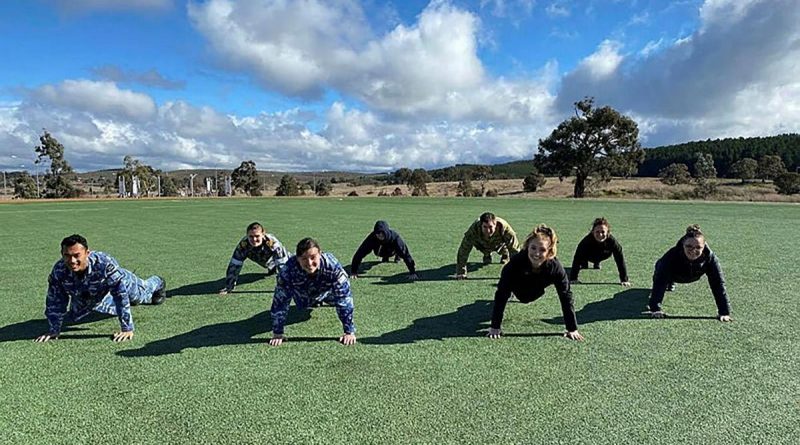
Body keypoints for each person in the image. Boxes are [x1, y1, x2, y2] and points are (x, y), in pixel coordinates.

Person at [35, 234, 166, 343]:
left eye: (76, 255)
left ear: (87, 253)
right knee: (76, 315)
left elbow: (120, 294)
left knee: (139, 295)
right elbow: (55, 301)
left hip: (121, 281)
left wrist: (127, 328)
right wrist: (54, 329)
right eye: (67, 255)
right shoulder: (59, 271)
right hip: (95, 291)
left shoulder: (105, 263)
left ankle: (158, 282)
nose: (72, 260)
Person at [488, 225, 583, 341]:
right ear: (527, 247)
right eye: (533, 248)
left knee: (529, 297)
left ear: (549, 252)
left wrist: (572, 328)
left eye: (542, 250)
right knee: (520, 296)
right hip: (519, 283)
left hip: (538, 286)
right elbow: (501, 294)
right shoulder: (514, 264)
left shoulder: (556, 268)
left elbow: (566, 296)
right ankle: (513, 292)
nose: (537, 253)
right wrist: (495, 326)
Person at [269, 238, 356, 346]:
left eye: (313, 257)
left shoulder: (332, 266)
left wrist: (349, 331)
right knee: (304, 305)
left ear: (320, 254)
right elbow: (280, 302)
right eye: (304, 259)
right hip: (303, 295)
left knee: (339, 301)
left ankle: (320, 300)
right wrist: (277, 333)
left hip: (327, 293)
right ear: (297, 259)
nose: (309, 263)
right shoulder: (288, 270)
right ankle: (312, 302)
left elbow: (344, 298)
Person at [648, 225, 732, 321]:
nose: (693, 250)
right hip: (673, 274)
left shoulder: (710, 258)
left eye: (698, 247)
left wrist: (724, 312)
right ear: (683, 244)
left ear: (703, 246)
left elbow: (718, 284)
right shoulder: (671, 256)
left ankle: (670, 283)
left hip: (694, 275)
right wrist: (655, 309)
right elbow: (659, 282)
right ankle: (670, 282)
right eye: (689, 246)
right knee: (662, 274)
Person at [219, 222, 289, 295]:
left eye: (257, 236)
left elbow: (282, 266)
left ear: (263, 234)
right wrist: (229, 287)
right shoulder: (243, 245)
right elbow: (234, 265)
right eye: (251, 236)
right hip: (263, 259)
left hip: (280, 258)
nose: (254, 239)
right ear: (247, 235)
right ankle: (272, 267)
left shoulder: (273, 243)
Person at [456, 212, 520, 279]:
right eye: (485, 227)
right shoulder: (474, 229)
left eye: (490, 227)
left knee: (504, 248)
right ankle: (487, 254)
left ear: (495, 225)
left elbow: (515, 250)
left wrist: (517, 272)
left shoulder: (506, 229)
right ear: (481, 225)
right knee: (482, 245)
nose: (488, 230)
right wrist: (461, 272)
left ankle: (505, 254)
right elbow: (464, 250)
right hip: (483, 242)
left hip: (500, 242)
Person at [569, 217, 631, 286]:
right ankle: (584, 263)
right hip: (588, 255)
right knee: (583, 261)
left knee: (600, 255)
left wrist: (624, 279)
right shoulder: (586, 241)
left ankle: (597, 262)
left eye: (603, 232)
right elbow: (577, 258)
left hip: (603, 254)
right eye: (597, 232)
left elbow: (620, 259)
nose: (600, 235)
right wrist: (573, 278)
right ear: (593, 232)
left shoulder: (612, 242)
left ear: (608, 232)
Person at [350, 220, 418, 281]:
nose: (380, 235)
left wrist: (412, 272)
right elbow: (360, 253)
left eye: (382, 233)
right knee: (382, 255)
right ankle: (385, 256)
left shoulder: (395, 238)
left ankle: (397, 255)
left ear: (386, 232)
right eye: (378, 233)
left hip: (392, 250)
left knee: (400, 251)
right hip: (379, 251)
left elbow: (406, 254)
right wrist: (354, 271)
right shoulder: (372, 238)